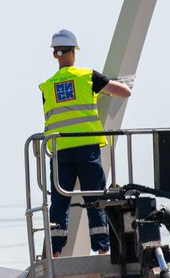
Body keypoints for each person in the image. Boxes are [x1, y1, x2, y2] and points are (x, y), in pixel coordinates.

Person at [39, 29, 132, 258]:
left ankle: (55, 251)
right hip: (87, 148)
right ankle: (101, 248)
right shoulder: (87, 76)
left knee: (59, 201)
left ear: (55, 54)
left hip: (59, 150)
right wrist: (104, 89)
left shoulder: (47, 86)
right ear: (74, 51)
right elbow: (124, 92)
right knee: (95, 198)